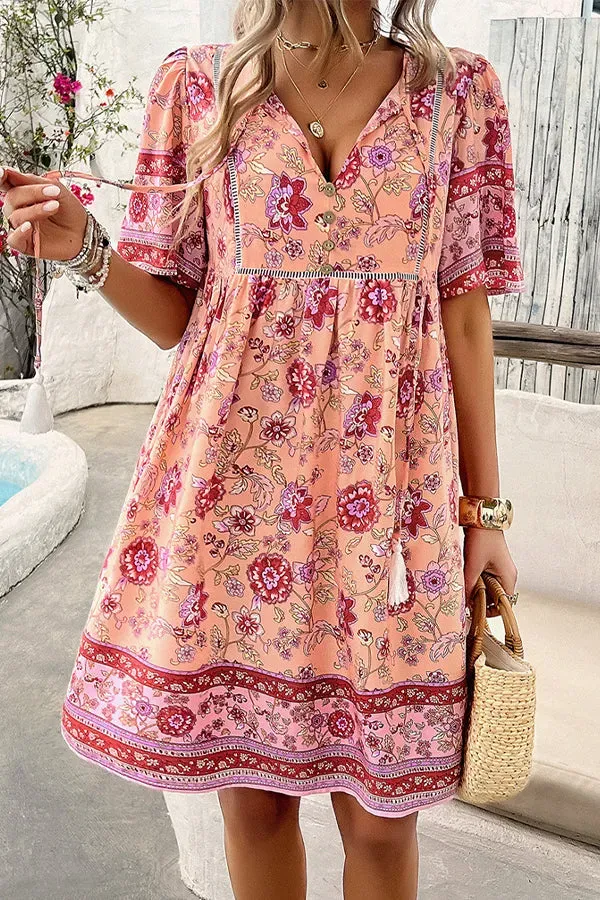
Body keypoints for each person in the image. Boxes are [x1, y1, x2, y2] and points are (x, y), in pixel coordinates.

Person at [0, 1, 525, 897]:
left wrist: (487, 514)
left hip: (392, 502)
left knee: (383, 820)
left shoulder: (456, 92)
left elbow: (466, 319)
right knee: (252, 805)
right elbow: (178, 317)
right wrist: (84, 247)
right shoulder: (196, 86)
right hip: (233, 495)